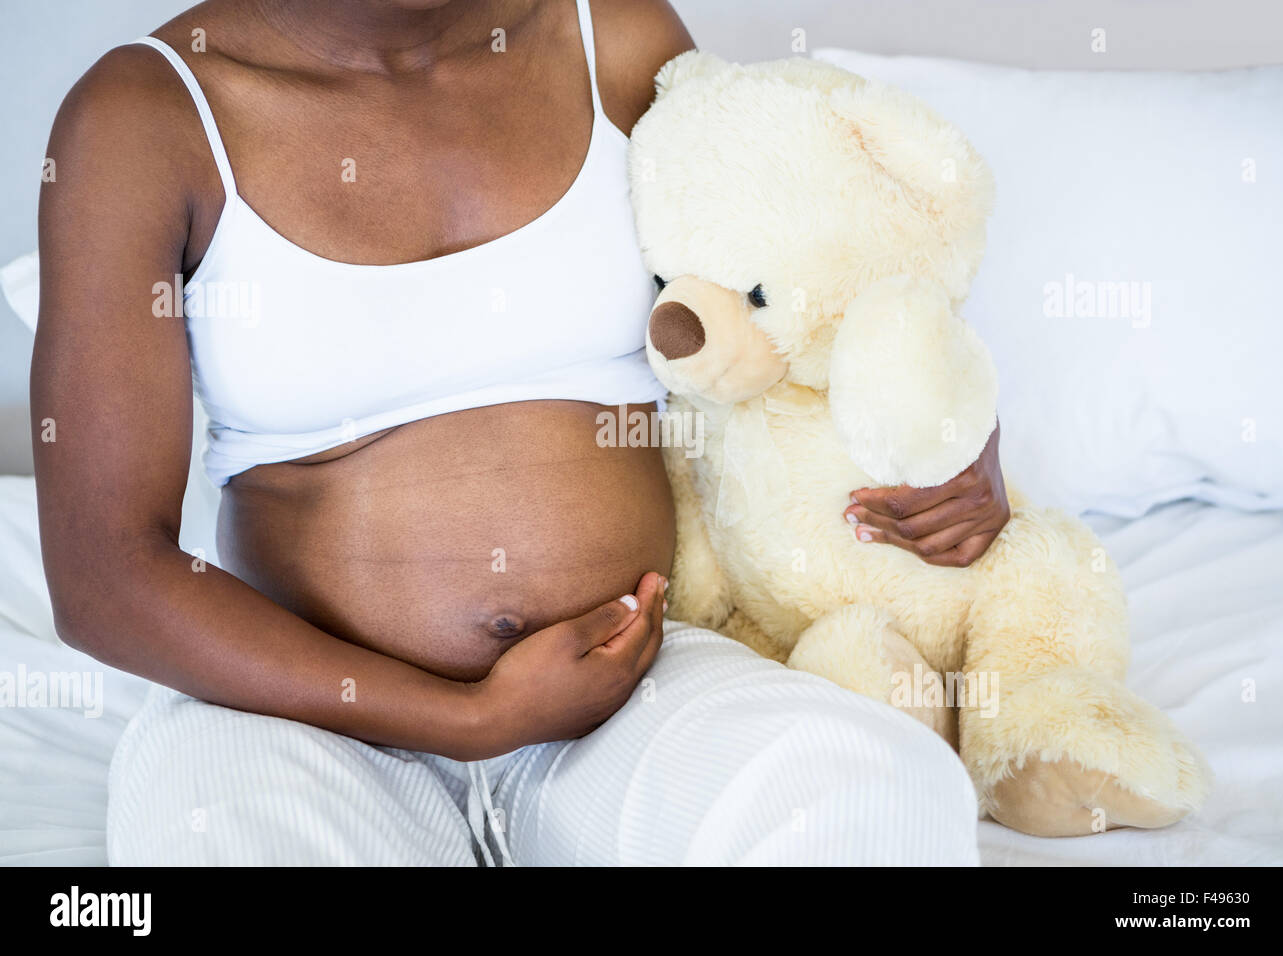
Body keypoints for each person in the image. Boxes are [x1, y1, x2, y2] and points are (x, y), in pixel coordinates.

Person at [33, 0, 1009, 865]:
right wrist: (466, 717)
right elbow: (104, 572)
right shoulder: (143, 117)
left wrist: (948, 426)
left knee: (876, 790)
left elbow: (791, 284)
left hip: (628, 684)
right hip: (297, 717)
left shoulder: (613, 34)